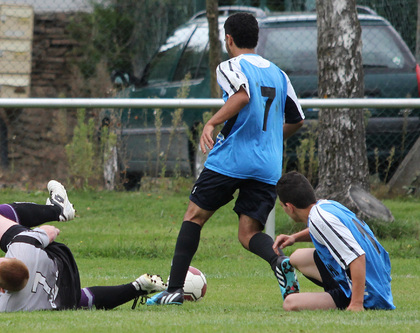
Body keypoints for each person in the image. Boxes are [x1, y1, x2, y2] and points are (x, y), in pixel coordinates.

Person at [146, 12, 305, 306]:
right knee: (249, 233)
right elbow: (297, 119)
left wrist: (211, 123)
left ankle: (174, 291)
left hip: (232, 158)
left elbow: (242, 95)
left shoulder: (230, 65)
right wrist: (268, 138)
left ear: (228, 39)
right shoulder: (279, 73)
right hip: (267, 165)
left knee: (194, 216)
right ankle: (278, 261)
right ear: (255, 39)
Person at [0, 180, 166, 312]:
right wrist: (34, 233)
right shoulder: (21, 247)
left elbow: (2, 307)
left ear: (2, 290)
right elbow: (51, 232)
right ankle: (56, 209)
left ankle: (137, 287)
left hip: (63, 280)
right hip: (57, 258)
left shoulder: (10, 305)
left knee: (72, 301)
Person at [273, 171, 395, 311]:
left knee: (290, 303)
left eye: (282, 206)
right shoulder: (326, 206)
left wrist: (356, 304)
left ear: (289, 207)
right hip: (377, 279)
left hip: (370, 293)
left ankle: (350, 298)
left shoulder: (319, 219)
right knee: (297, 257)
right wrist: (294, 238)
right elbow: (328, 231)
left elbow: (357, 257)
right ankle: (340, 288)